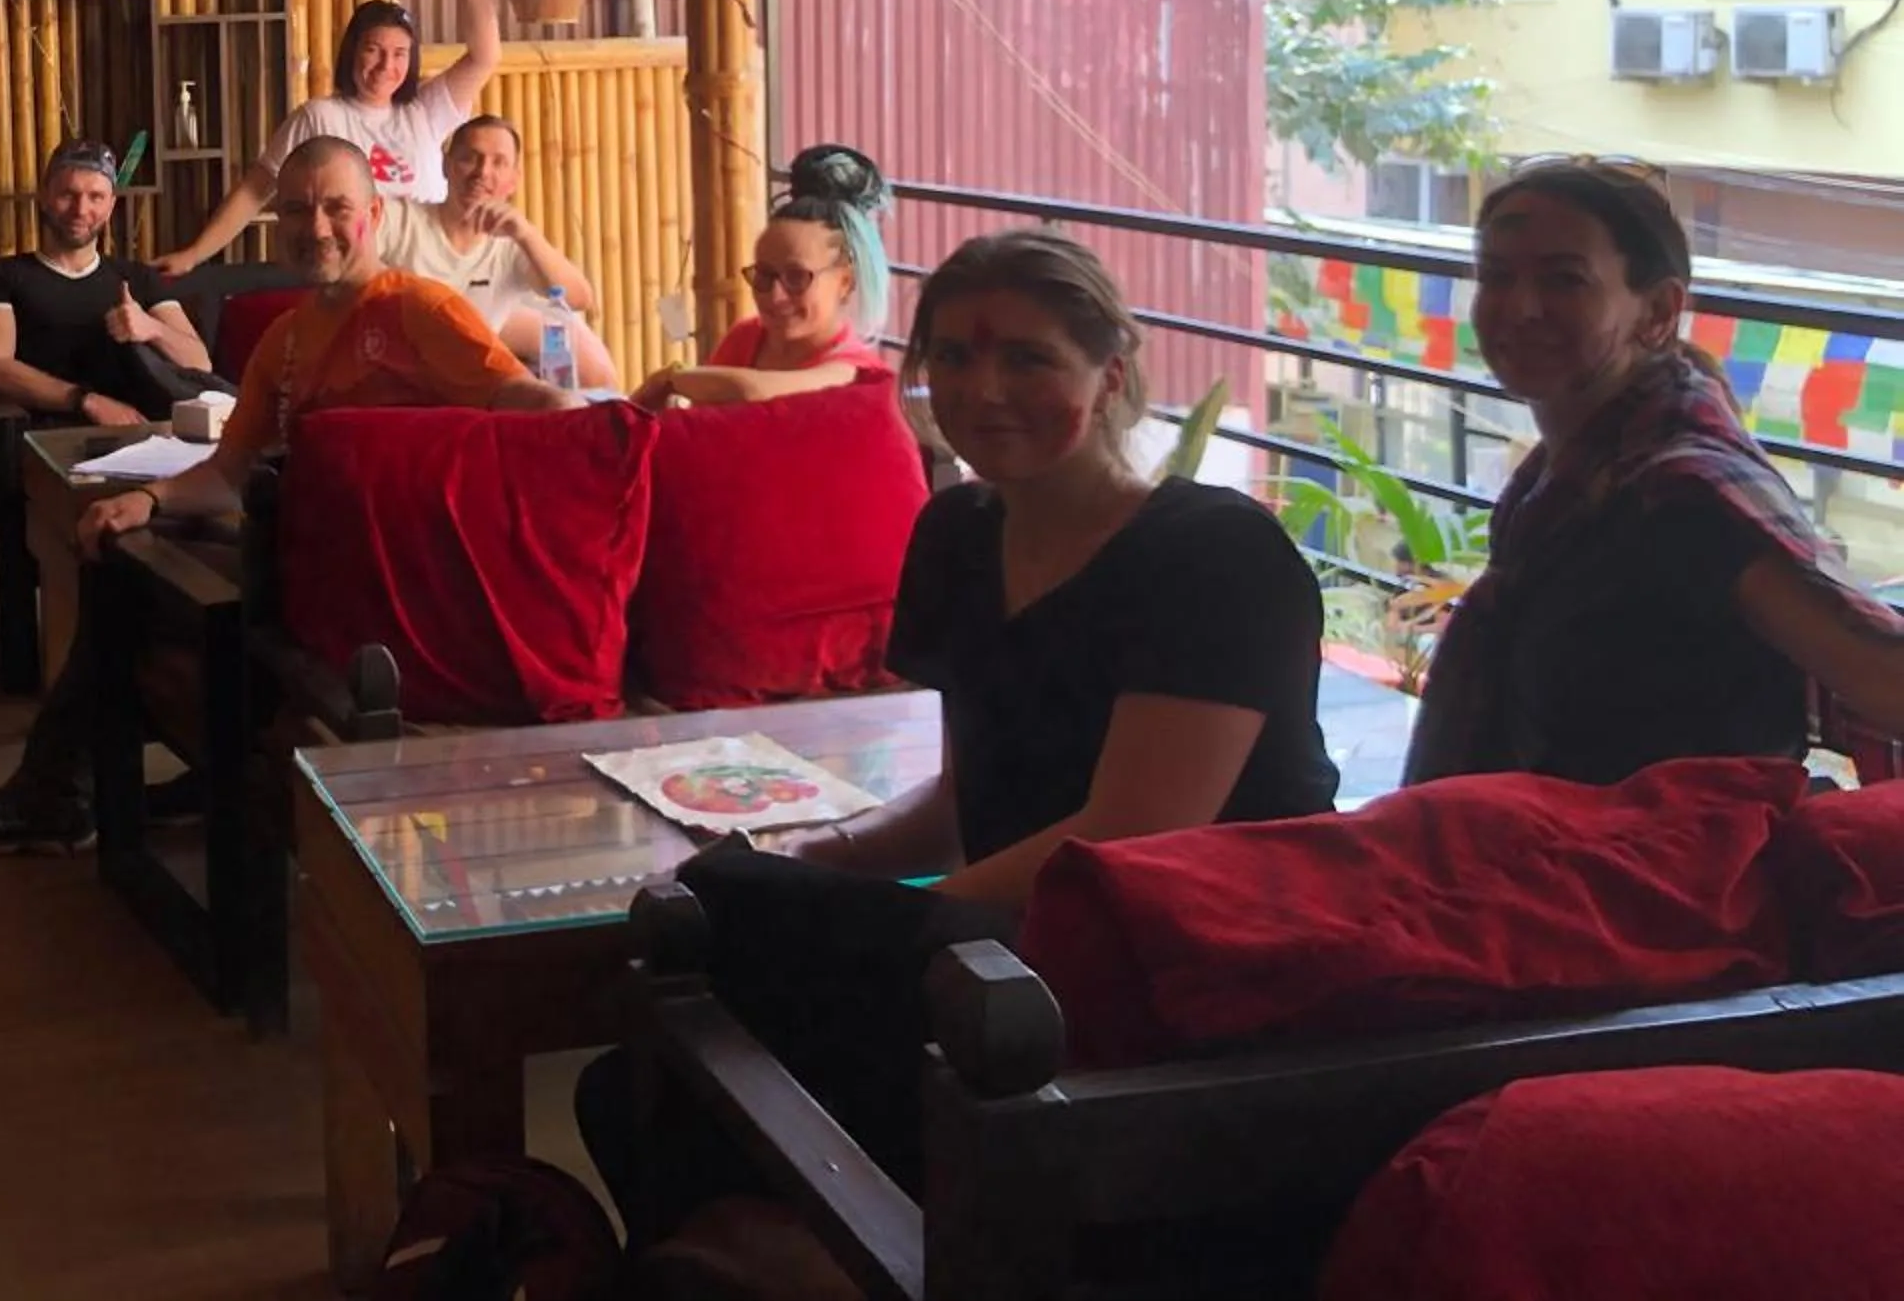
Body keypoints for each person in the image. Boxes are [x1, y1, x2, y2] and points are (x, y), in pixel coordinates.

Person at [580, 228, 1337, 1230]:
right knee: (664, 1044)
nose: (985, 389)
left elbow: (1130, 838)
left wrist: (865, 922)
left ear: (1110, 375)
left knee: (723, 953)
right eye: (956, 356)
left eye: (1029, 358)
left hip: (1185, 965)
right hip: (1006, 954)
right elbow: (962, 799)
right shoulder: (957, 535)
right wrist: (825, 856)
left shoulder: (1213, 557)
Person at [0, 135, 582, 856]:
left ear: (375, 213)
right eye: (297, 211)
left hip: (393, 570)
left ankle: (83, 787)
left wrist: (574, 421)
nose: (318, 227)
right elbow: (228, 469)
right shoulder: (286, 339)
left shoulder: (422, 309)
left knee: (137, 600)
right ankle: (90, 786)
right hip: (307, 548)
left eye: (337, 208)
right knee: (123, 561)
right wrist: (149, 499)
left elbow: (518, 399)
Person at [1407, 157, 1904, 786]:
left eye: (1564, 279)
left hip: (1659, 868)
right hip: (1559, 852)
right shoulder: (1563, 482)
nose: (1519, 308)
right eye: (1496, 276)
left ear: (1659, 311)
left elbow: (1882, 676)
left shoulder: (1685, 496)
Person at [153, 0, 501, 275]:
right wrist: (195, 255)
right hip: (358, 282)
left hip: (433, 275)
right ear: (352, 51)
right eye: (373, 50)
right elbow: (256, 188)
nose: (385, 65)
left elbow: (486, 56)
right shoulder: (320, 117)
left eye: (399, 54)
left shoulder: (425, 109)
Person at [0, 138, 229, 425]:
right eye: (68, 194)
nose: (80, 209)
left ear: (111, 205)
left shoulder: (137, 278)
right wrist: (85, 401)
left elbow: (200, 362)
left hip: (142, 437)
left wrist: (151, 328)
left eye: (96, 197)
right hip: (45, 441)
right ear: (44, 197)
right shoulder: (4, 274)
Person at [634, 145, 896, 408]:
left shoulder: (856, 372)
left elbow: (751, 392)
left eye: (796, 277)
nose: (775, 295)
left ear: (845, 282)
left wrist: (671, 379)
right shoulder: (746, 337)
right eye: (764, 275)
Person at [379, 113, 619, 388]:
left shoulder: (512, 247)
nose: (482, 172)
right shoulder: (401, 221)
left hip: (473, 386)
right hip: (405, 384)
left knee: (560, 399)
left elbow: (578, 298)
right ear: (446, 166)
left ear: (514, 179)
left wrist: (527, 234)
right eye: (470, 158)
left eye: (499, 163)